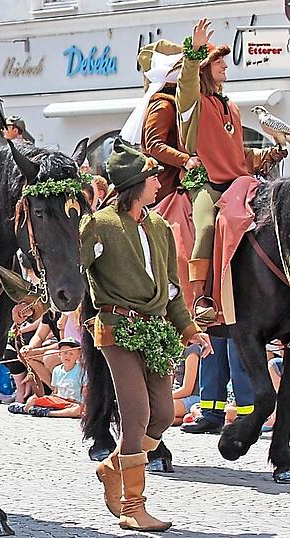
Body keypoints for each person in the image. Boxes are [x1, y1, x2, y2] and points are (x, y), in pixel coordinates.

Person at [81, 139, 210, 532]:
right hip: (116, 328)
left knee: (165, 415)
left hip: (155, 330)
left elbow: (171, 289)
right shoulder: (98, 224)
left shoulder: (159, 226)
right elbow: (73, 270)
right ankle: (132, 507)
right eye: (153, 177)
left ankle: (113, 467)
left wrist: (190, 328)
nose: (159, 183)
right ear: (137, 183)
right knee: (136, 414)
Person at [177, 19, 286, 300]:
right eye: (219, 63)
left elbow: (239, 156)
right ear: (205, 70)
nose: (225, 67)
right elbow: (186, 84)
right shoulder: (194, 105)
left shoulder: (232, 107)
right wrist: (194, 53)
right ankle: (201, 296)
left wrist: (270, 154)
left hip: (241, 184)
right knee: (207, 226)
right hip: (207, 185)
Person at [120, 40, 198, 203]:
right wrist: (185, 159)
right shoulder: (163, 105)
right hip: (165, 188)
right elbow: (154, 144)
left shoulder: (172, 103)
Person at [9, 338, 85, 418]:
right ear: (59, 354)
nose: (67, 356)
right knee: (34, 399)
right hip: (59, 400)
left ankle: (49, 413)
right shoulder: (57, 370)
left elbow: (85, 391)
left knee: (80, 410)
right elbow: (56, 391)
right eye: (65, 353)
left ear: (78, 355)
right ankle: (25, 409)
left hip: (74, 402)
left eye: (71, 353)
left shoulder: (81, 370)